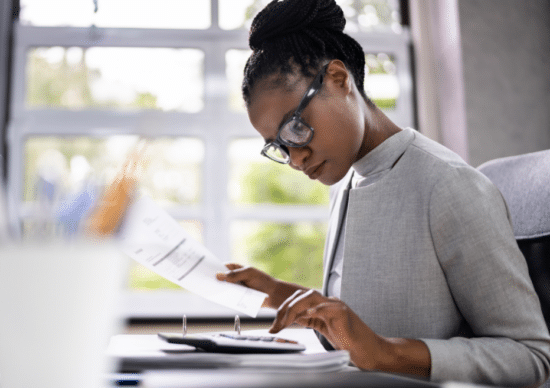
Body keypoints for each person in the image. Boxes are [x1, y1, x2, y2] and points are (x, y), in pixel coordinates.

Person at [215, 0, 550, 386]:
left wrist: (386, 353)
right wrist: (279, 292)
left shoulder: (448, 185)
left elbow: (531, 357)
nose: (294, 159)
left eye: (294, 129)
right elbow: (359, 329)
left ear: (339, 80)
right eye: (279, 146)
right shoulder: (348, 182)